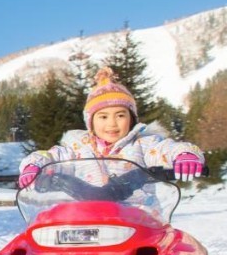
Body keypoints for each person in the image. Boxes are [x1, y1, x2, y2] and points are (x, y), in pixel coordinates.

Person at [18, 66, 205, 189]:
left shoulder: (143, 144)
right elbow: (50, 156)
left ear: (131, 119)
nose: (112, 123)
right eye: (103, 116)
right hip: (88, 222)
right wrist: (34, 166)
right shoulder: (77, 148)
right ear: (90, 121)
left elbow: (166, 149)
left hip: (139, 221)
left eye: (121, 115)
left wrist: (184, 155)